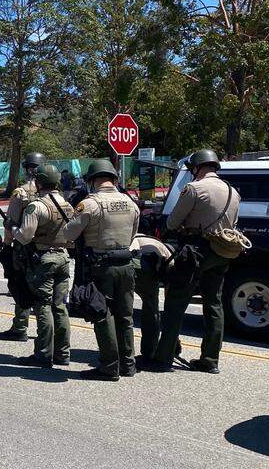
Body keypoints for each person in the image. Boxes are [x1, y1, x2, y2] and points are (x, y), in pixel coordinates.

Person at [151, 149, 240, 374]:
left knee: (176, 302)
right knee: (214, 304)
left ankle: (163, 357)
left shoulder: (194, 188)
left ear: (197, 168)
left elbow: (172, 222)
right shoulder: (233, 191)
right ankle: (210, 359)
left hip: (195, 251)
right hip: (222, 251)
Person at [62, 159, 140, 381]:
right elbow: (133, 233)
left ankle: (109, 366)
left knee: (102, 315)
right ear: (114, 179)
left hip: (100, 266)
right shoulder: (130, 202)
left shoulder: (90, 204)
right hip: (126, 264)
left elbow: (69, 234)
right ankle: (128, 364)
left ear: (92, 180)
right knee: (125, 315)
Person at [13, 164, 74, 368]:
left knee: (43, 306)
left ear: (38, 183)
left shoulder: (37, 206)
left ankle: (43, 353)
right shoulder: (67, 204)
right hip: (63, 257)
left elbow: (24, 236)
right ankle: (63, 353)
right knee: (60, 307)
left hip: (43, 258)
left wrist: (14, 231)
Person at [0, 152, 45, 341]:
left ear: (27, 169)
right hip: (46, 245)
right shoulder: (54, 192)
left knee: (21, 285)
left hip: (24, 246)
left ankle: (20, 326)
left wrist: (7, 246)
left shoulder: (21, 192)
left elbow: (10, 223)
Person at [132, 232, 172, 369]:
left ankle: (124, 353)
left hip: (129, 262)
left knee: (122, 309)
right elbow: (169, 293)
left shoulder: (159, 248)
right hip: (143, 264)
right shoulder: (169, 257)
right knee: (151, 309)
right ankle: (149, 352)